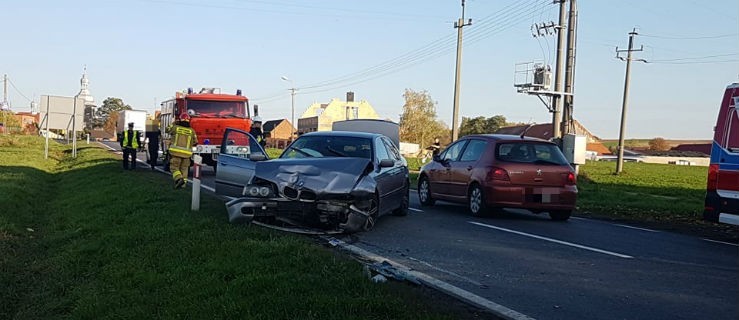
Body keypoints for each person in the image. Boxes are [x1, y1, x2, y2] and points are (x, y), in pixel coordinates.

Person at [167, 113, 197, 189]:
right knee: (184, 169)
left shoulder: (175, 128)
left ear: (180, 120)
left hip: (175, 153)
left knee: (174, 168)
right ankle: (183, 186)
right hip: (187, 155)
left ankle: (179, 179)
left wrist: (173, 123)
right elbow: (195, 142)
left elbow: (167, 130)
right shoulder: (192, 131)